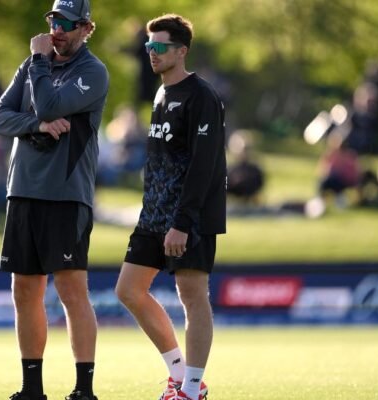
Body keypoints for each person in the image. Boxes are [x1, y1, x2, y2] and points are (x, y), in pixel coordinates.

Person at [0, 1, 108, 399]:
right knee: (24, 291)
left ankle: (83, 390)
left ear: (86, 29)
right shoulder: (31, 65)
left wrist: (39, 66)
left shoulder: (92, 72)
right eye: (54, 21)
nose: (57, 30)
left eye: (67, 24)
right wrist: (37, 125)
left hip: (66, 193)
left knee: (72, 292)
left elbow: (51, 104)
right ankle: (32, 389)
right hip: (23, 190)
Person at [115, 14, 226, 400]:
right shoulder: (161, 94)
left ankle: (192, 390)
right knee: (128, 290)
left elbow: (203, 165)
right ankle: (178, 374)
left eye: (160, 46)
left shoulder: (202, 96)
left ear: (181, 51)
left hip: (189, 217)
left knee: (192, 295)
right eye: (149, 46)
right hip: (154, 215)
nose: (152, 53)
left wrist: (182, 221)